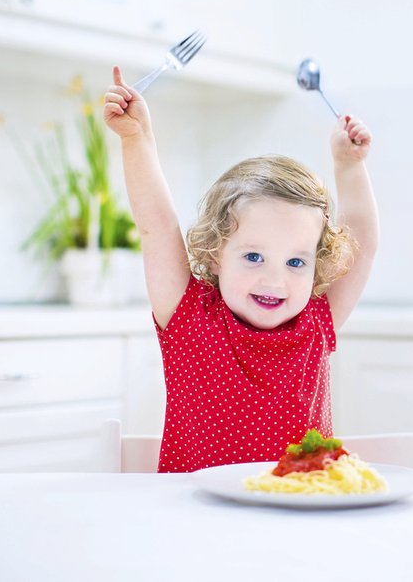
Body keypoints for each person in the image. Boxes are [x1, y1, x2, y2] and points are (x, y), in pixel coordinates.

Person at [103, 66, 377, 472]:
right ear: (215, 252)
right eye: (253, 257)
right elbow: (157, 226)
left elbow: (362, 245)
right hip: (196, 518)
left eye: (296, 262)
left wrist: (349, 167)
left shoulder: (317, 321)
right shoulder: (188, 317)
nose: (274, 279)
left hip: (295, 516)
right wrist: (136, 138)